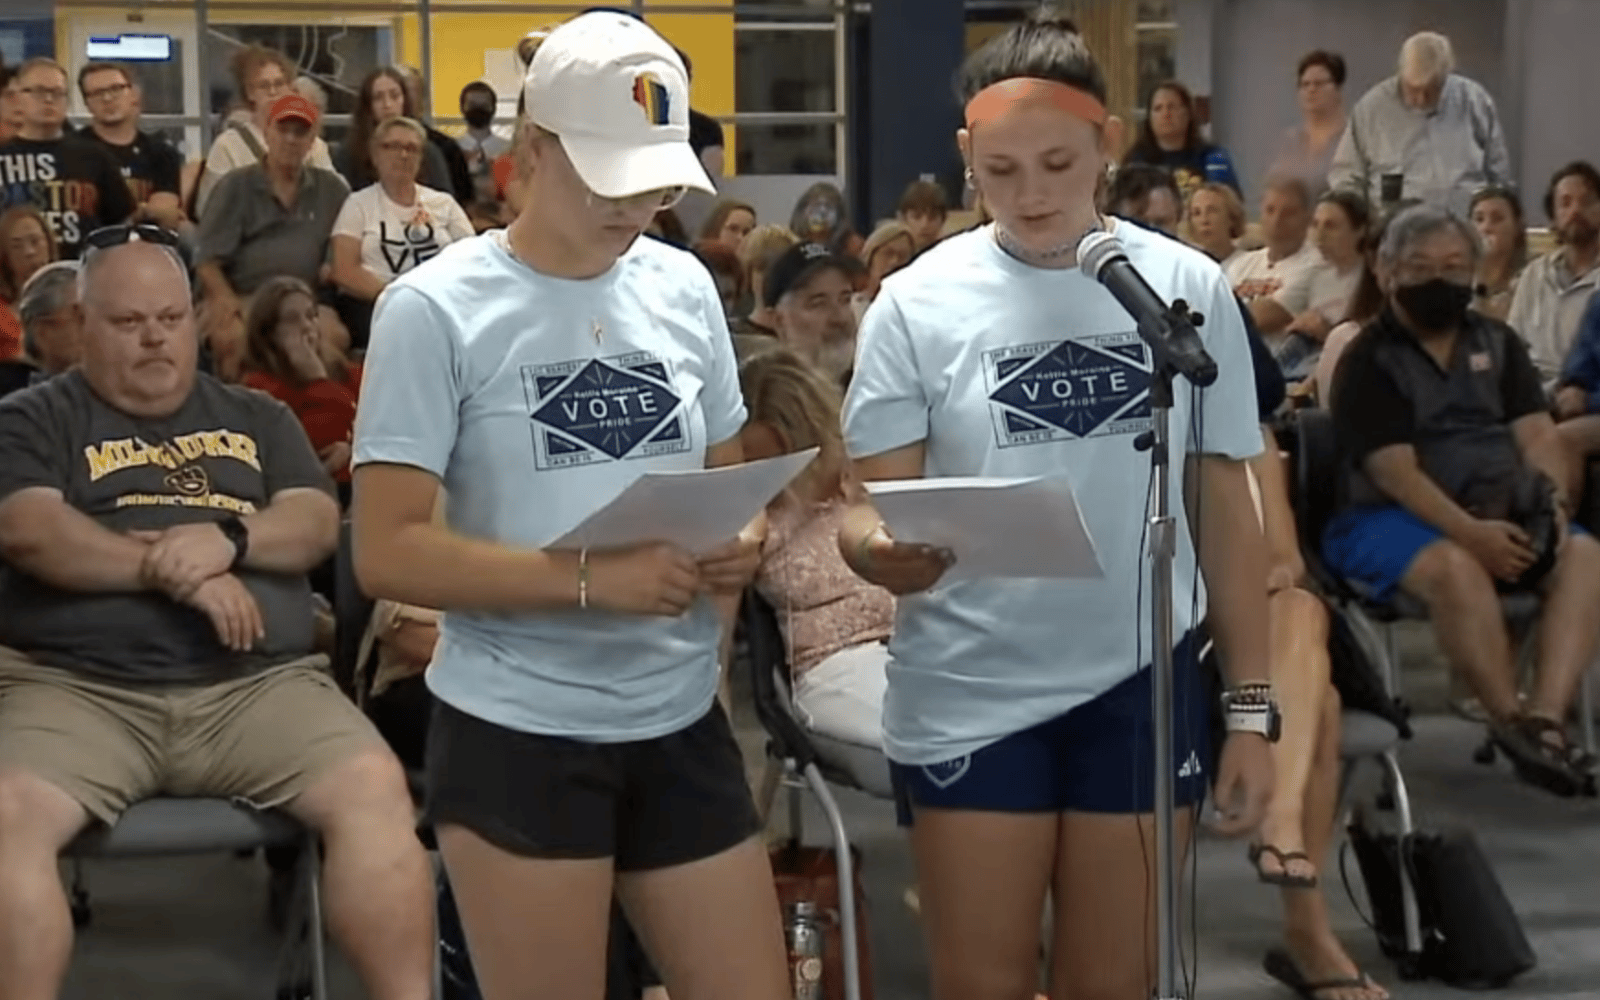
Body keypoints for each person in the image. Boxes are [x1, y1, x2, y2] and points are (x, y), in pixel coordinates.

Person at [837, 9, 1275, 1000]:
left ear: (1107, 144)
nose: (1030, 195)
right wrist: (879, 551)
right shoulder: (918, 300)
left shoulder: (1182, 286)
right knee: (980, 979)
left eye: (1056, 163)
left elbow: (1225, 510)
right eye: (999, 171)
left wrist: (1248, 709)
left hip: (1141, 683)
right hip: (970, 682)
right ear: (964, 157)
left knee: (1111, 980)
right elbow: (862, 508)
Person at [350, 12, 789, 1000]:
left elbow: (724, 482)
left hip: (677, 716)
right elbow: (387, 551)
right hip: (519, 730)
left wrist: (741, 540)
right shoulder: (435, 310)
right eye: (610, 177)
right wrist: (588, 579)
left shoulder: (680, 284)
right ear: (530, 150)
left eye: (658, 181)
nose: (637, 204)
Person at [0, 225, 434, 1000]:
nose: (155, 339)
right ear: (85, 324)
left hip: (257, 689)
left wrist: (228, 538)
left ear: (195, 319)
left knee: (374, 787)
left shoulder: (255, 418)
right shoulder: (34, 418)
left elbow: (309, 521)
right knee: (4, 820)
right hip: (76, 690)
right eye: (129, 323)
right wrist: (174, 571)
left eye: (170, 317)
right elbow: (33, 533)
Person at [1323, 204, 1600, 797]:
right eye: (1420, 266)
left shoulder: (1498, 343)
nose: (1438, 280)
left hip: (1497, 509)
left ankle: (1545, 722)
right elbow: (1396, 474)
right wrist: (1472, 536)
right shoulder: (1368, 358)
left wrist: (1548, 504)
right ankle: (1508, 719)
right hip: (1382, 518)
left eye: (1453, 266)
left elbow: (1538, 437)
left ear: (1474, 271)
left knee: (1584, 556)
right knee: (1457, 567)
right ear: (1389, 272)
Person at [742, 349, 892, 750]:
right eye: (755, 463)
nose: (774, 479)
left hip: (922, 643)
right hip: (836, 667)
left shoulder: (868, 474)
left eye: (783, 461)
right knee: (936, 727)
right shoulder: (755, 517)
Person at [1120, 79, 1240, 200]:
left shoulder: (1214, 156)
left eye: (1171, 107)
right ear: (1149, 118)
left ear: (1187, 113)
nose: (1165, 114)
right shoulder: (1135, 162)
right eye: (1158, 108)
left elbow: (1227, 201)